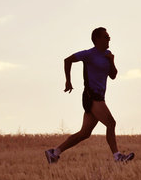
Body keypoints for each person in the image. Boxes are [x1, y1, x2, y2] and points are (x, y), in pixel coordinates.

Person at [45, 27, 134, 164]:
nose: (109, 38)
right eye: (106, 37)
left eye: (108, 36)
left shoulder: (108, 54)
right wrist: (68, 81)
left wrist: (111, 61)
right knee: (111, 123)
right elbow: (67, 60)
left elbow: (113, 76)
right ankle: (117, 157)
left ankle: (54, 152)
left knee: (84, 133)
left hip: (100, 97)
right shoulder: (88, 54)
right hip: (91, 96)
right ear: (97, 39)